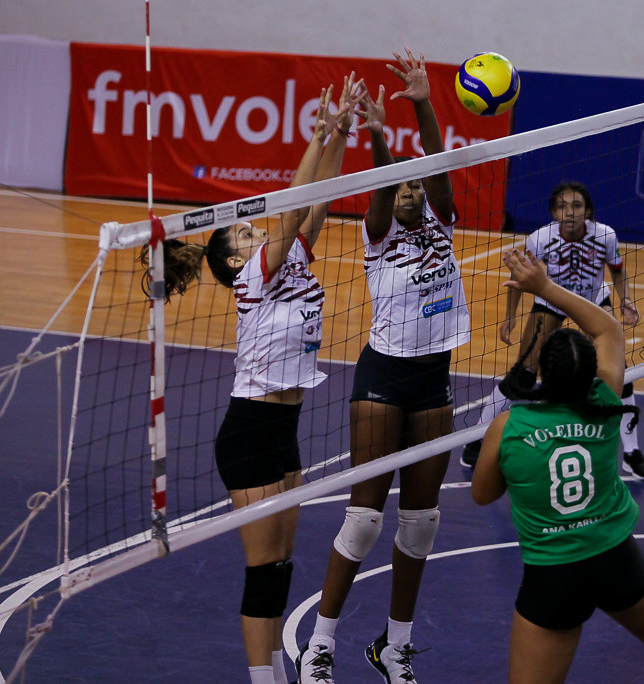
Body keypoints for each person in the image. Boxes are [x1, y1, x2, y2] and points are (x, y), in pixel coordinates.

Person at [149, 76, 360, 684]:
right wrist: (314, 134)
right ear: (235, 262)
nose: (255, 230)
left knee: (284, 565)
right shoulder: (253, 279)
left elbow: (318, 200)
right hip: (249, 432)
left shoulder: (289, 257)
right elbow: (291, 211)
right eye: (244, 233)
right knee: (262, 568)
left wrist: (339, 132)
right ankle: (261, 679)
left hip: (284, 429)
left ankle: (274, 673)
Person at [470, 248, 644, 684]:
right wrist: (546, 287)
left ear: (542, 375)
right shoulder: (606, 402)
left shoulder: (507, 427)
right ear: (591, 375)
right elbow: (607, 327)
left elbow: (482, 494)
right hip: (615, 560)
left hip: (553, 576)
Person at [296, 49, 469, 684]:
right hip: (382, 376)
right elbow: (383, 182)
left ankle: (395, 648)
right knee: (365, 519)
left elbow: (437, 165)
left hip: (433, 379)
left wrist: (423, 100)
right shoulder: (376, 231)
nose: (408, 192)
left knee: (420, 526)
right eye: (400, 186)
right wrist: (374, 135)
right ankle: (321, 644)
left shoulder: (443, 225)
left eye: (415, 187)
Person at [461, 181, 644, 481]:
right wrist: (509, 317)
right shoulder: (540, 238)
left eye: (576, 206)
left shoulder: (605, 235)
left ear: (587, 211)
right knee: (523, 374)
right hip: (551, 299)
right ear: (554, 211)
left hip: (592, 300)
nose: (569, 213)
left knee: (620, 373)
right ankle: (476, 439)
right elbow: (518, 275)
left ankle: (631, 452)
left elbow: (617, 269)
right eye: (562, 206)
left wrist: (625, 298)